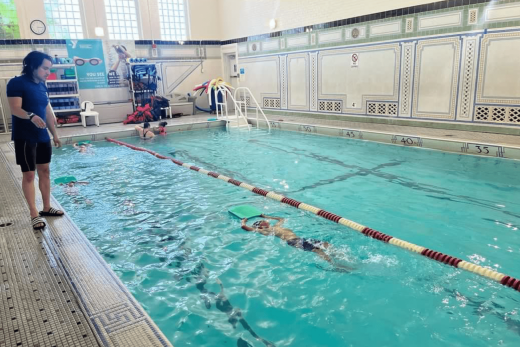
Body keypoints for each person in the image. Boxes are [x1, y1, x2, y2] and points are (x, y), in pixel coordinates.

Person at [7, 51, 63, 230]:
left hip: (42, 136)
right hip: (25, 136)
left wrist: (54, 133)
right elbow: (15, 109)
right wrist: (30, 116)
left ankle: (47, 208)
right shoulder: (16, 83)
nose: (48, 72)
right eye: (45, 68)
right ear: (32, 66)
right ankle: (34, 214)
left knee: (45, 171)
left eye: (49, 69)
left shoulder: (42, 85)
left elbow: (47, 111)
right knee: (29, 174)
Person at [241, 214, 353, 272]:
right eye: (263, 221)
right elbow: (245, 227)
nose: (265, 222)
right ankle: (336, 265)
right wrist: (244, 222)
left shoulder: (275, 226)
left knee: (326, 244)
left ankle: (341, 256)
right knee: (317, 250)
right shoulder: (264, 230)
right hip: (293, 241)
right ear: (260, 225)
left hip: (301, 238)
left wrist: (266, 216)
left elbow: (281, 219)